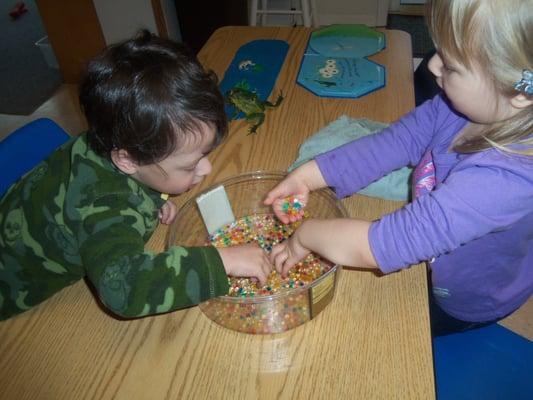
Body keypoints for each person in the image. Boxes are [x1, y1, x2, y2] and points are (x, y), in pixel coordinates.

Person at [265, 0, 533, 336]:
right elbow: (394, 142)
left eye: (451, 65)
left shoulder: (505, 180)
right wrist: (308, 174)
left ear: (518, 92)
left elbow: (382, 244)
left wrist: (305, 235)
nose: (433, 65)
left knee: (391, 335)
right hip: (442, 249)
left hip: (470, 295)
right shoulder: (461, 108)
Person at [0, 30, 271, 321]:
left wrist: (149, 198)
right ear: (127, 160)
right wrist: (221, 261)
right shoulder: (101, 204)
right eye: (190, 165)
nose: (206, 169)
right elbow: (123, 289)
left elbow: (121, 187)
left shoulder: (115, 138)